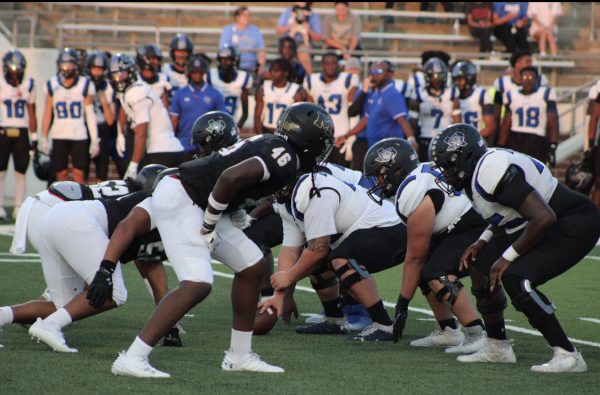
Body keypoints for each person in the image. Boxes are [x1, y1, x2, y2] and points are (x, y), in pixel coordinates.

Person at [108, 102, 334, 377]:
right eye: (322, 143)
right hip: (185, 197)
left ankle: (239, 355)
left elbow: (232, 177)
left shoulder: (277, 146)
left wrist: (235, 211)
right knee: (198, 283)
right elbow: (229, 177)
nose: (323, 150)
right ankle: (133, 357)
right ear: (310, 140)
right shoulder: (285, 156)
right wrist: (211, 223)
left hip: (199, 198)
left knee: (252, 265)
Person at [429, 123, 600, 371]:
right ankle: (498, 347)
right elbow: (506, 213)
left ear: (464, 158)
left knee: (516, 277)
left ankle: (568, 354)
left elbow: (544, 216)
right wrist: (483, 241)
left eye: (448, 165)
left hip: (572, 221)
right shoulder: (479, 171)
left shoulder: (490, 171)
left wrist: (508, 257)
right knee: (480, 265)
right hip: (542, 220)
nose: (445, 173)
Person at [363, 138, 488, 353]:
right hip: (464, 222)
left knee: (435, 271)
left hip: (473, 225)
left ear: (396, 170)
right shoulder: (421, 171)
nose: (378, 182)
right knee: (425, 269)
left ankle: (477, 333)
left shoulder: (413, 190)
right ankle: (448, 330)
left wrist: (402, 305)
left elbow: (415, 258)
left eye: (380, 175)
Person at [109, 53, 185, 180]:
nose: (118, 78)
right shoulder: (131, 90)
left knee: (148, 195)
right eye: (115, 74)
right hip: (163, 150)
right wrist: (120, 133)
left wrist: (133, 165)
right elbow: (124, 108)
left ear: (130, 71)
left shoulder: (137, 92)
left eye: (121, 73)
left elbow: (142, 133)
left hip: (161, 151)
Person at [40, 48, 99, 184]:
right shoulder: (52, 84)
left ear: (76, 65)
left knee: (79, 174)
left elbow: (90, 113)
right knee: (60, 173)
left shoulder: (85, 84)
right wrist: (43, 136)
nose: (66, 67)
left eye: (70, 63)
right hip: (59, 134)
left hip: (79, 134)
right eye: (64, 63)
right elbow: (48, 112)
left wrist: (95, 138)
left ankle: (79, 204)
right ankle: (62, 203)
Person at [336, 61, 415, 152]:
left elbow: (402, 120)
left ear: (390, 73)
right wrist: (346, 135)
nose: (375, 75)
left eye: (379, 71)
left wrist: (411, 140)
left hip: (389, 149)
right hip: (375, 147)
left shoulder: (392, 94)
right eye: (373, 72)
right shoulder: (376, 93)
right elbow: (365, 120)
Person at [0, 49, 37, 221]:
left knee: (20, 170)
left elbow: (32, 111)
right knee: (0, 170)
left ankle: (18, 206)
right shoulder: (1, 83)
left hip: (22, 130)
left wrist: (35, 136)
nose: (16, 75)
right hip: (3, 129)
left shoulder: (29, 84)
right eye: (13, 71)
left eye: (18, 71)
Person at [304, 53, 358, 166]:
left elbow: (353, 110)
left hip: (341, 136)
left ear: (338, 65)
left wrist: (350, 138)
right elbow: (310, 111)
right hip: (320, 136)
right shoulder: (311, 81)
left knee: (342, 175)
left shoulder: (348, 80)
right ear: (322, 65)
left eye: (334, 63)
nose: (330, 66)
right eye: (327, 63)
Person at [498, 66, 559, 167]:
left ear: (537, 79)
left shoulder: (546, 93)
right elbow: (506, 122)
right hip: (515, 138)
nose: (528, 81)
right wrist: (501, 145)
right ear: (520, 78)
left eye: (531, 77)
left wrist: (553, 146)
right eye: (525, 77)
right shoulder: (510, 95)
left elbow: (553, 122)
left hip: (537, 140)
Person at [170, 54, 226, 161]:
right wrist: (170, 141)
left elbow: (222, 120)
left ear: (204, 73)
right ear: (189, 73)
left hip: (207, 144)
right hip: (184, 143)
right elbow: (174, 121)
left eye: (200, 72)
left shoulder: (215, 94)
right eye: (194, 72)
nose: (197, 75)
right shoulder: (180, 94)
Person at [409, 58, 461, 161]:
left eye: (439, 77)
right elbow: (413, 124)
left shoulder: (452, 93)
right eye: (433, 77)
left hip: (446, 140)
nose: (437, 81)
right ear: (427, 77)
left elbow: (457, 123)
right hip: (425, 139)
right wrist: (412, 139)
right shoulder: (419, 94)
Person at [492, 50, 548, 141]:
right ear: (517, 64)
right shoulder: (502, 83)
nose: (531, 64)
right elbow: (496, 114)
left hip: (536, 133)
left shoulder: (541, 80)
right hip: (510, 132)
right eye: (527, 61)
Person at [86, 51, 120, 182]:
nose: (96, 73)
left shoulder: (108, 87)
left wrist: (104, 101)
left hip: (102, 128)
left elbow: (111, 120)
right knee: (82, 167)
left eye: (100, 69)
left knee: (102, 168)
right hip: (86, 128)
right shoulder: (84, 84)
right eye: (94, 68)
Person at [206, 46, 252, 129]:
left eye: (228, 60)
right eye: (222, 59)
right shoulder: (211, 76)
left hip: (232, 124)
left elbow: (245, 113)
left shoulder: (243, 78)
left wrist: (236, 129)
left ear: (234, 61)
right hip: (213, 124)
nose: (225, 63)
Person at [254, 58, 304, 134]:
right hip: (266, 131)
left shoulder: (295, 92)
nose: (272, 73)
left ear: (286, 73)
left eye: (276, 70)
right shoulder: (263, 89)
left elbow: (299, 120)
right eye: (271, 70)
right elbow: (257, 117)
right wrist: (261, 136)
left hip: (285, 133)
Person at [451, 60, 495, 142]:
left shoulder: (481, 94)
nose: (457, 83)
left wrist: (471, 139)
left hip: (476, 141)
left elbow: (490, 127)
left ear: (469, 78)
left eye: (460, 79)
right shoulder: (451, 95)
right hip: (455, 141)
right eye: (455, 80)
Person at [276, 2, 322, 74]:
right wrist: (289, 27)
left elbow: (318, 38)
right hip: (288, 41)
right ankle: (284, 78)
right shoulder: (288, 12)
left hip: (304, 43)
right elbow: (278, 30)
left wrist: (308, 29)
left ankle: (308, 80)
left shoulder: (313, 15)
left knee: (303, 53)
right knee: (286, 50)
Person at [219, 6, 266, 75]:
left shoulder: (255, 30)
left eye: (249, 15)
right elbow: (224, 50)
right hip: (233, 68)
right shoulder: (228, 30)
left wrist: (261, 67)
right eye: (244, 15)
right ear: (237, 17)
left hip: (251, 68)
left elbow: (261, 51)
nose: (247, 18)